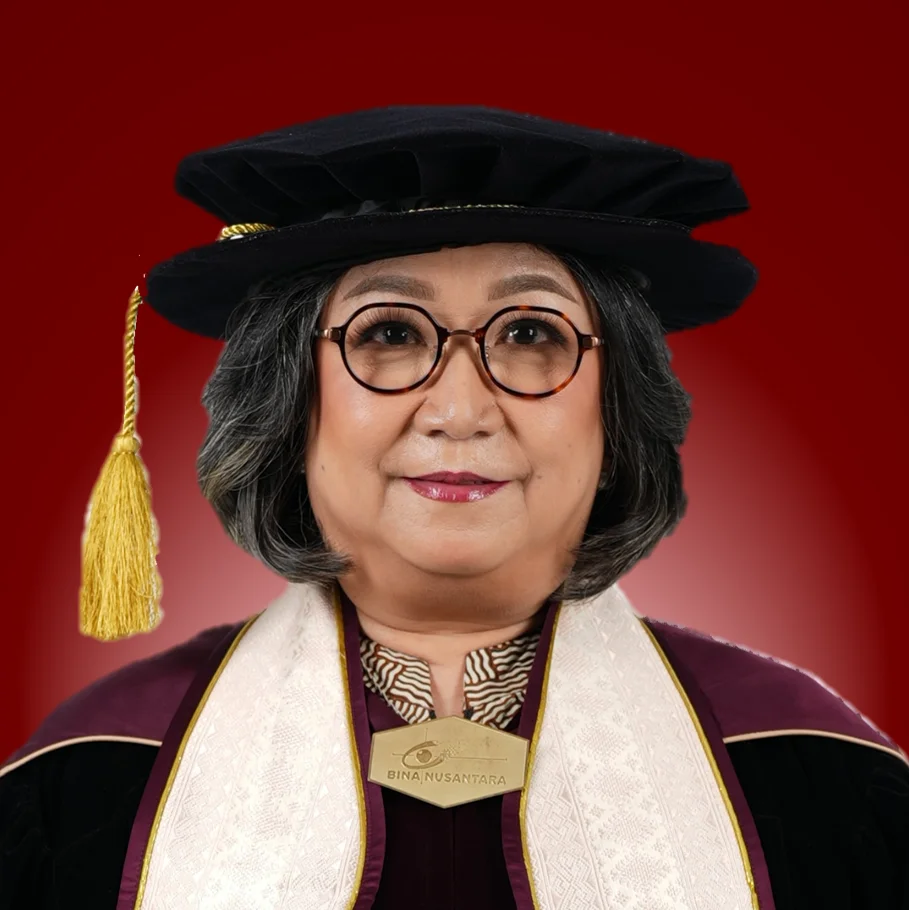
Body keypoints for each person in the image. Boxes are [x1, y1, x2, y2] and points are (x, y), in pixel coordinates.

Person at [1, 105, 906, 910]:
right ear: (289, 402)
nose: (461, 409)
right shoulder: (94, 777)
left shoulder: (815, 773)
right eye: (390, 333)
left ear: (615, 407)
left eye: (531, 333)